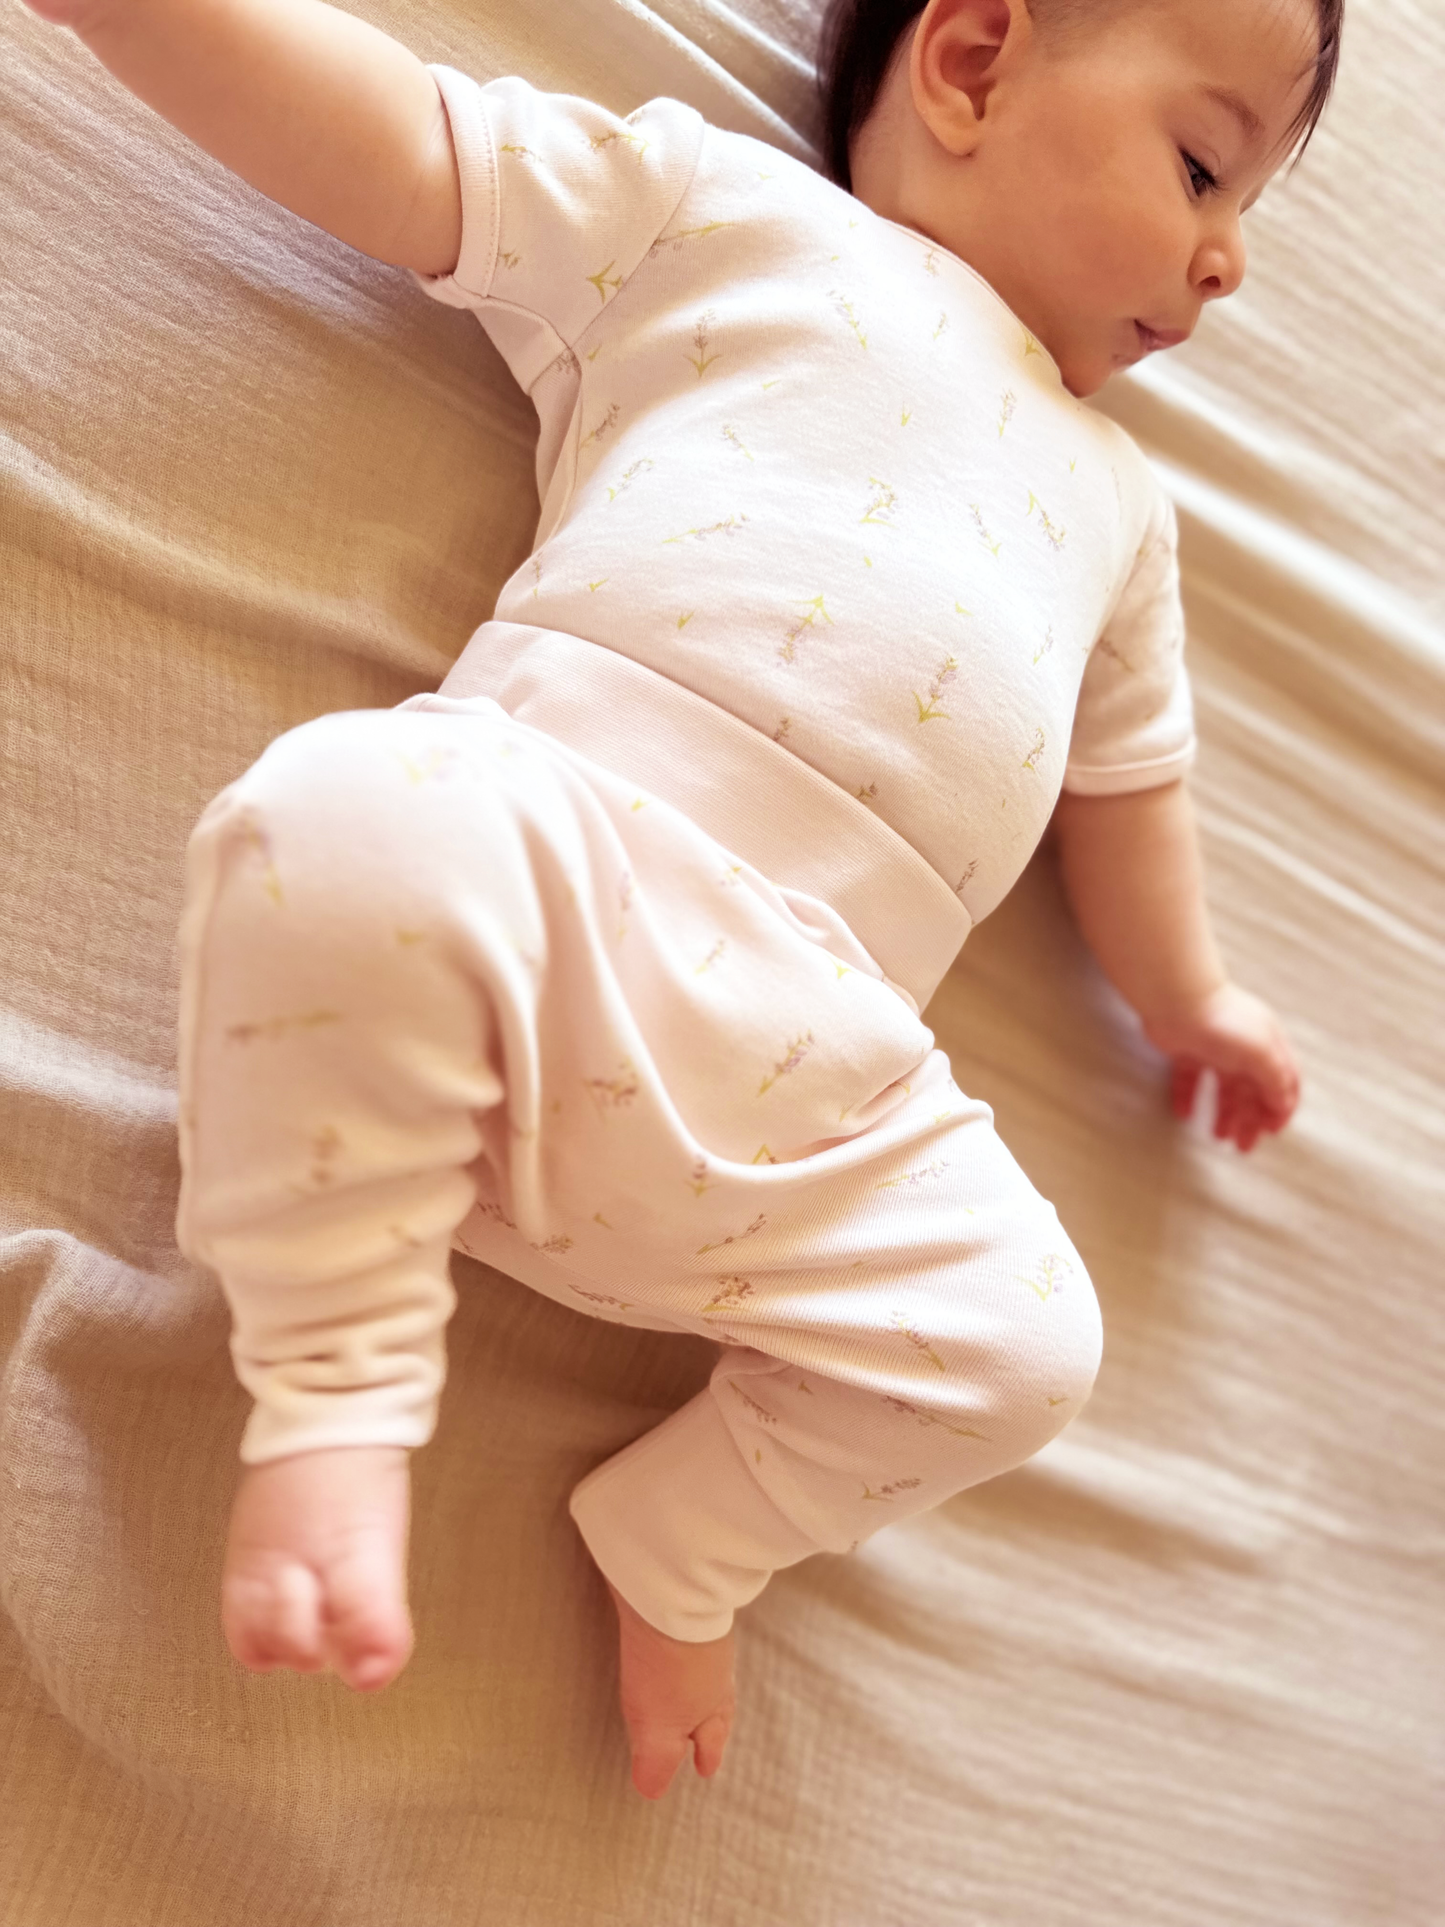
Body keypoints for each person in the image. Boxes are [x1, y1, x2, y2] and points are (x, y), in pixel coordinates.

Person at [21, 0, 1329, 1799]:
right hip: (539, 900)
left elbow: (1131, 793)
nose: (1228, 259)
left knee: (1033, 1339)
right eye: (1205, 165)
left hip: (811, 1078)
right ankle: (337, 1388)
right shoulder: (719, 217)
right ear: (969, 60)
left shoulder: (1119, 511)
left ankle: (688, 1537)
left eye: (1248, 200)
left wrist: (1190, 1001)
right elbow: (406, 145)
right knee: (342, 815)